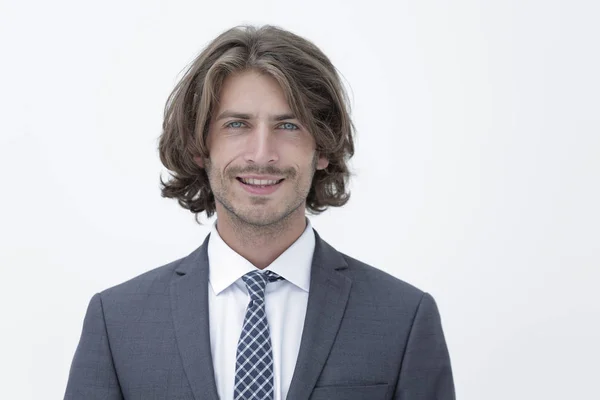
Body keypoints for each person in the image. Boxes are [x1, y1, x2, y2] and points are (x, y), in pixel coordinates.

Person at [64, 25, 455, 400]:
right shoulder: (117, 322)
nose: (262, 154)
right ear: (200, 147)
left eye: (288, 125)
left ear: (323, 149)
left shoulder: (403, 319)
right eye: (237, 124)